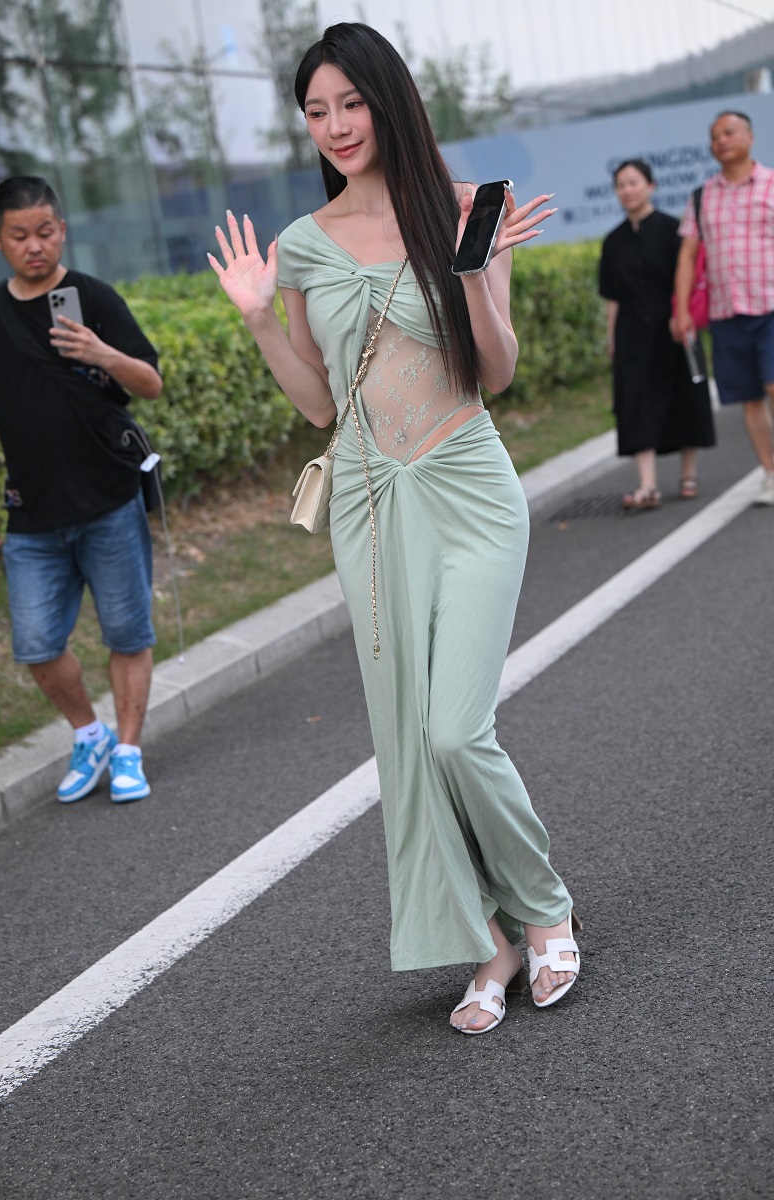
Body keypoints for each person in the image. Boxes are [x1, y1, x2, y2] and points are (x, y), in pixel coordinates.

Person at [208, 22, 579, 1034]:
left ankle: (544, 906)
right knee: (410, 741)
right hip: (369, 505)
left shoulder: (466, 208)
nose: (334, 126)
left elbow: (495, 370)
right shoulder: (299, 246)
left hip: (467, 483)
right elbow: (318, 407)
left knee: (457, 729)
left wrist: (472, 273)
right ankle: (490, 943)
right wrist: (256, 316)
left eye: (350, 103)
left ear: (388, 101)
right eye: (315, 110)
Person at [0, 176, 163, 803]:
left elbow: (150, 383)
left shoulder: (94, 297)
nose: (35, 245)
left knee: (128, 634)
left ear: (62, 229)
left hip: (109, 500)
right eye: (19, 235)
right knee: (35, 645)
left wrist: (101, 352)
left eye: (45, 231)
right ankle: (90, 733)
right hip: (32, 515)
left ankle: (128, 750)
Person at [599, 159, 715, 510]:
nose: (627, 190)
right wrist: (612, 337)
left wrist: (684, 317)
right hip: (632, 331)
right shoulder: (613, 241)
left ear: (651, 186)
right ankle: (647, 485)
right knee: (634, 401)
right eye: (621, 185)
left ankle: (688, 474)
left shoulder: (673, 230)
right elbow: (612, 297)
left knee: (686, 396)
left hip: (674, 325)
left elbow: (690, 278)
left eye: (634, 182)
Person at [675, 111, 774, 507]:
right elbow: (687, 256)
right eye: (715, 136)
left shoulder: (771, 185)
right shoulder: (702, 197)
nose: (721, 141)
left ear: (749, 137)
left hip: (770, 306)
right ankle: (770, 473)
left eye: (729, 132)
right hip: (726, 313)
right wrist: (682, 310)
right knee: (750, 399)